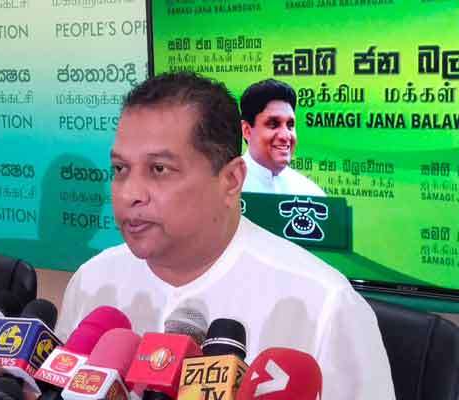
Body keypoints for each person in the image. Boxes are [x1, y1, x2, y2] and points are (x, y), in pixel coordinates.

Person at [55, 72, 395, 399]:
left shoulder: (325, 305)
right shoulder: (92, 283)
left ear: (231, 180)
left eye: (159, 169)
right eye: (120, 169)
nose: (130, 193)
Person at [240, 79, 325, 196]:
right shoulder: (222, 190)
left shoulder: (310, 194)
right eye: (273, 124)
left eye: (290, 125)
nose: (285, 136)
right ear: (247, 130)